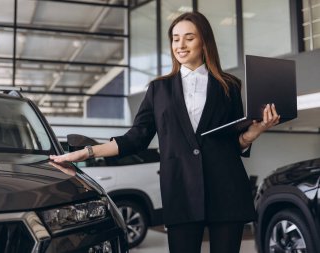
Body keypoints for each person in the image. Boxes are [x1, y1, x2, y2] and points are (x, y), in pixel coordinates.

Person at [50, 11, 280, 253]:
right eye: (175, 38)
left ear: (204, 41)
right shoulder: (158, 89)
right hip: (180, 191)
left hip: (226, 188)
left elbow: (233, 141)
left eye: (189, 38)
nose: (180, 45)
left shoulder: (229, 85)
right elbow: (136, 138)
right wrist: (86, 152)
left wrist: (256, 131)